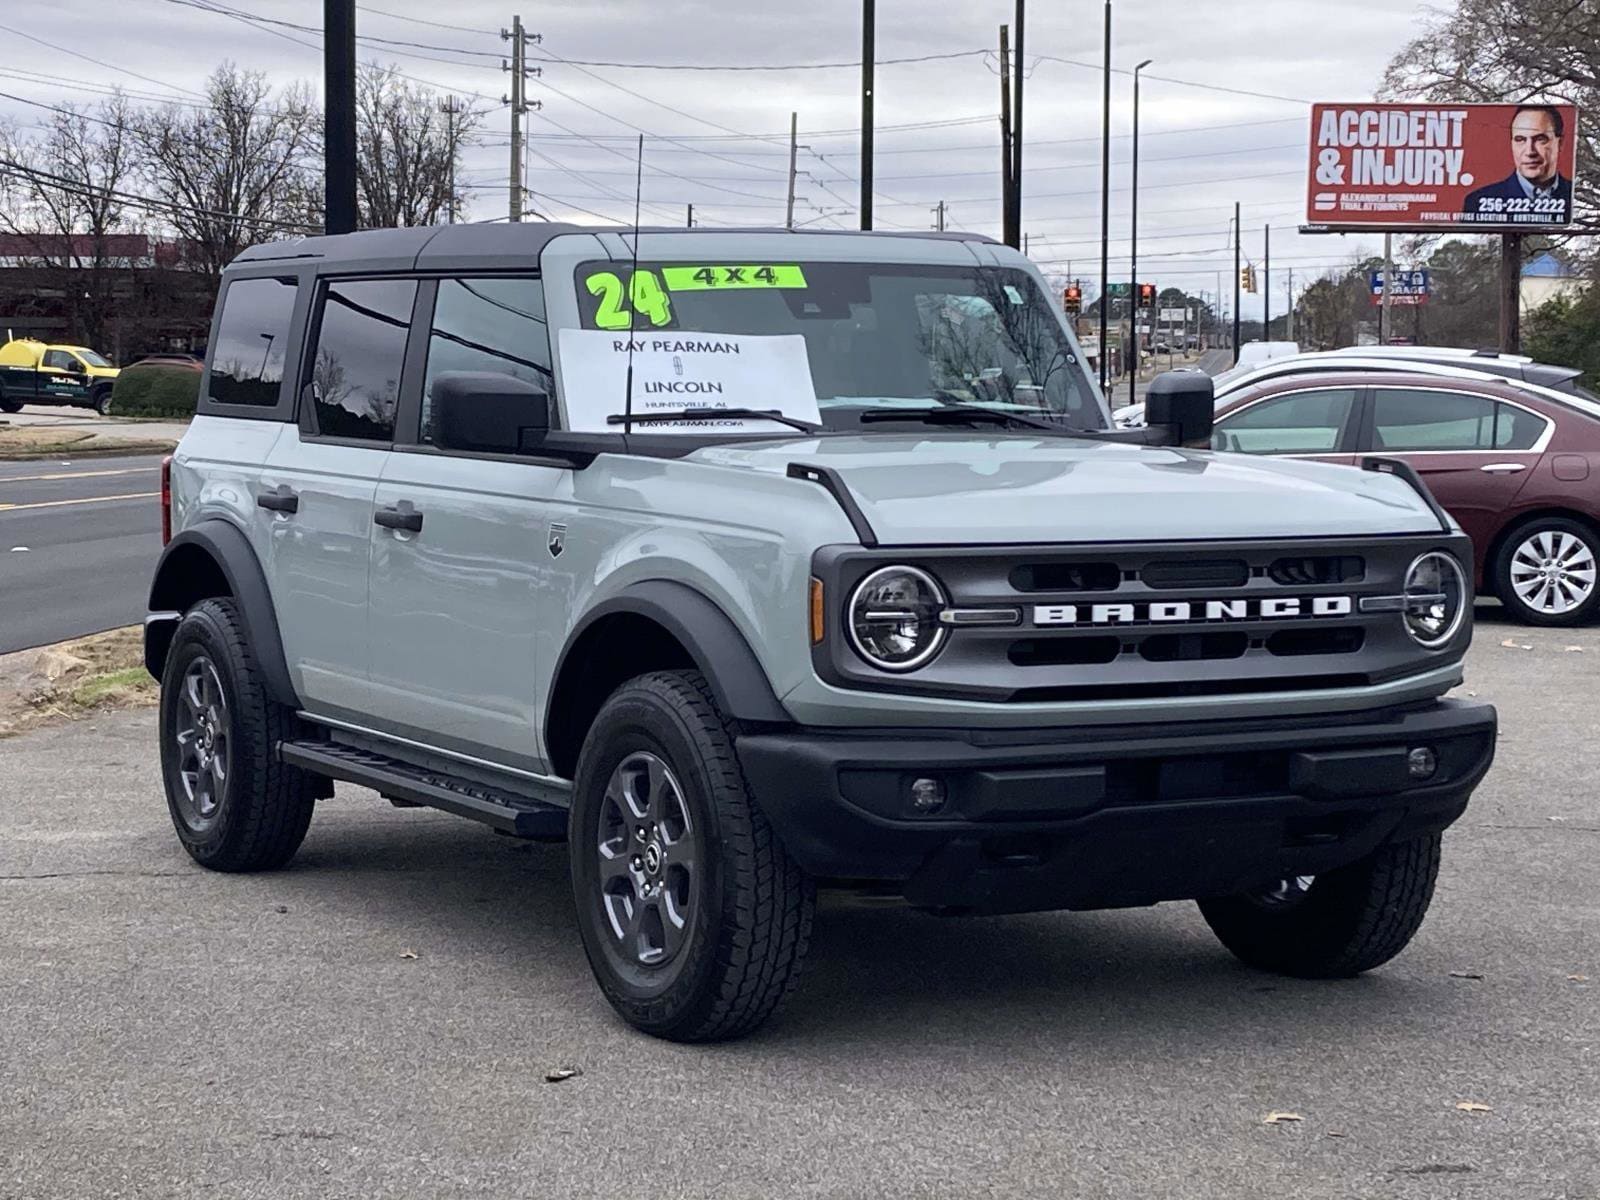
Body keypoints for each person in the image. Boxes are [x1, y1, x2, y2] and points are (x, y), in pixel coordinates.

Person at [1463, 105, 1572, 218]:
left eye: (1540, 139)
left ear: (1560, 143)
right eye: (1520, 140)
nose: (1530, 151)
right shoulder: (1478, 202)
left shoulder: (1575, 199)